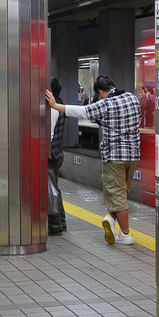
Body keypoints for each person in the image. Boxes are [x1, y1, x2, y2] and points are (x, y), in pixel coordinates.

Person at [46, 75, 140, 245]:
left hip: (115, 156)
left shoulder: (105, 104)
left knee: (116, 194)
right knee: (122, 191)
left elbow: (81, 111)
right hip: (133, 155)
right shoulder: (132, 98)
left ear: (100, 92)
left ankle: (125, 234)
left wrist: (54, 105)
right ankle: (111, 219)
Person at [48, 77, 68, 235]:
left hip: (49, 155)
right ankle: (61, 222)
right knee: (54, 188)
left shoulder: (52, 109)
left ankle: (55, 225)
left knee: (50, 189)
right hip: (57, 153)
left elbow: (48, 135)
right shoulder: (60, 104)